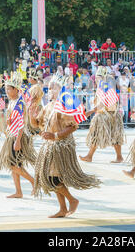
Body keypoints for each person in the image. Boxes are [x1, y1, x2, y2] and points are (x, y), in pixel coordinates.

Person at [29, 74, 101, 218]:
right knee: (53, 178)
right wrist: (31, 115)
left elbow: (73, 126)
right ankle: (63, 208)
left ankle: (72, 200)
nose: (49, 90)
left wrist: (55, 136)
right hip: (50, 146)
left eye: (52, 88)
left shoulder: (63, 105)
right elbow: (36, 125)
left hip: (61, 146)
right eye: (48, 88)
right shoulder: (48, 106)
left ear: (59, 89)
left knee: (53, 179)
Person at [0, 72, 36, 198]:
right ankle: (18, 191)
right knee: (14, 165)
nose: (6, 91)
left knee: (13, 165)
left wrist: (17, 141)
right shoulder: (12, 101)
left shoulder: (20, 103)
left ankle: (33, 181)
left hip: (18, 136)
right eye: (6, 88)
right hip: (11, 135)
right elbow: (13, 120)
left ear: (15, 89)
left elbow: (21, 124)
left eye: (9, 89)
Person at [80, 67, 125, 164]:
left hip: (107, 114)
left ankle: (118, 156)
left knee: (112, 136)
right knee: (98, 134)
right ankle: (90, 155)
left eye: (97, 77)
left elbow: (104, 102)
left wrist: (91, 111)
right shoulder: (103, 86)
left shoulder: (104, 86)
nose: (96, 79)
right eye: (96, 77)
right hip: (107, 114)